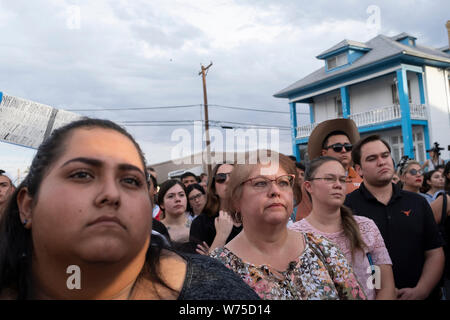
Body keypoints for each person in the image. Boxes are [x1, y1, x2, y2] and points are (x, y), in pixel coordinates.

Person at [0, 118, 260, 300]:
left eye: (130, 181)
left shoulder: (214, 290)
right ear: (27, 205)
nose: (112, 194)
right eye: (82, 175)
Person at [209, 150, 366, 300]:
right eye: (260, 183)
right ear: (236, 199)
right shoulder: (218, 269)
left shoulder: (323, 248)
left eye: (283, 182)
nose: (275, 191)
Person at [345, 134, 445, 300]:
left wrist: (422, 290)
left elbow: (434, 251)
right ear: (358, 169)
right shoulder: (346, 208)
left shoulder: (417, 202)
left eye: (385, 155)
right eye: (372, 158)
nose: (381, 161)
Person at [289, 156, 395, 299]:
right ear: (309, 186)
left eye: (342, 179)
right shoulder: (294, 234)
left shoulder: (366, 227)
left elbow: (385, 286)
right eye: (330, 179)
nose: (338, 185)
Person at [294, 118, 362, 222]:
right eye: (337, 147)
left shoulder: (362, 178)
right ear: (324, 153)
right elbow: (303, 220)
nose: (344, 150)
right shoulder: (312, 183)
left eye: (348, 147)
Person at [189, 163, 242, 255]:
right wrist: (221, 235)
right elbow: (203, 268)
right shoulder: (201, 223)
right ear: (214, 189)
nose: (228, 180)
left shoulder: (253, 215)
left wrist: (210, 252)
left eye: (233, 176)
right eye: (221, 178)